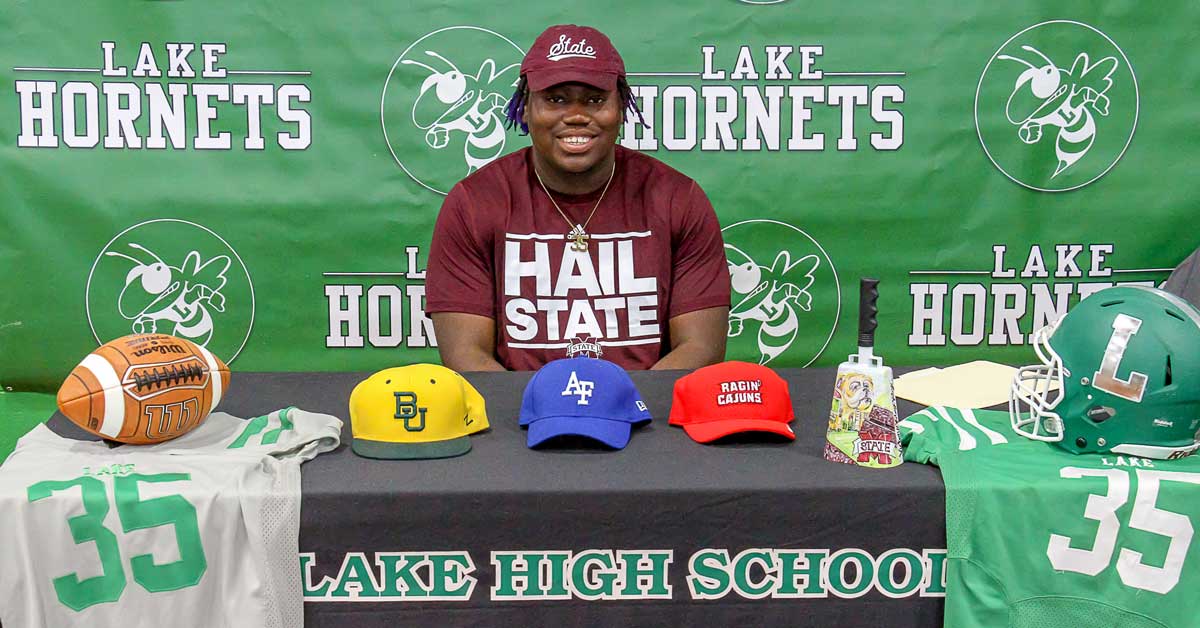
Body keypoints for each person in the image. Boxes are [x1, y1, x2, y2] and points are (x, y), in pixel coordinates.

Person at [425, 24, 730, 371]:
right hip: (517, 406)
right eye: (556, 99)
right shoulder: (474, 202)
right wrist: (537, 402)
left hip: (647, 405)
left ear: (622, 108)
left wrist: (626, 400)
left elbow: (701, 348)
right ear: (524, 108)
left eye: (595, 100)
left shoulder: (678, 198)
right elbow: (466, 356)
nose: (576, 116)